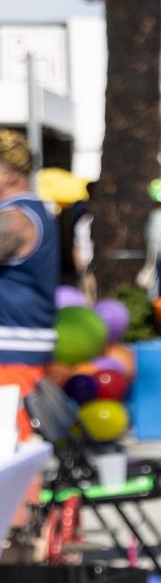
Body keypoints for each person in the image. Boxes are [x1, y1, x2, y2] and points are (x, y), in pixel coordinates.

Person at [0, 130, 54, 455]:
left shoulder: (16, 219)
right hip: (20, 351)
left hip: (13, 354)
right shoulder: (33, 211)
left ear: (8, 173)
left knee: (11, 454)